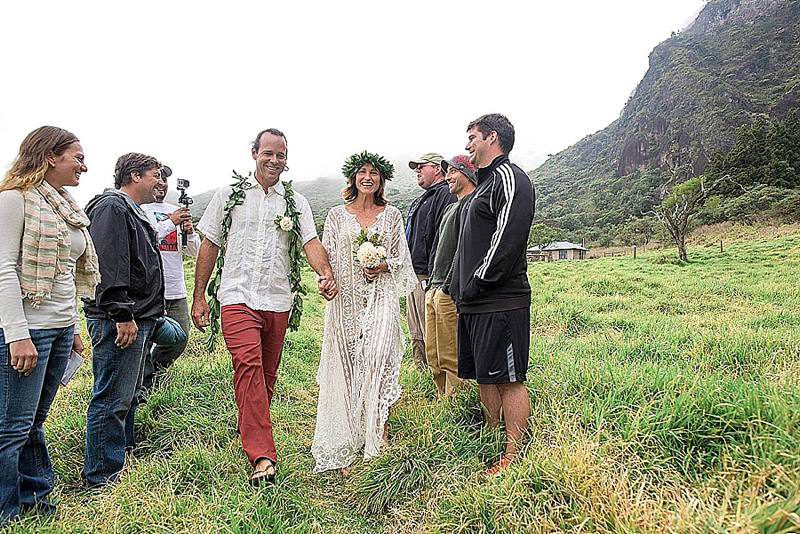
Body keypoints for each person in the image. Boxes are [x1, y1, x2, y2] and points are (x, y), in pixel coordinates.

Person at [192, 128, 337, 485]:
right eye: (268, 153)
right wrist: (199, 296)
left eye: (280, 155)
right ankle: (262, 456)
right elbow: (210, 243)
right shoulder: (229, 196)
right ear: (254, 153)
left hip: (277, 299)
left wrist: (325, 272)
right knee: (249, 365)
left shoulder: (295, 202)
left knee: (266, 375)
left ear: (287, 160)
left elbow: (310, 241)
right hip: (236, 296)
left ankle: (249, 425)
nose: (274, 160)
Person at [0, 127, 100, 524]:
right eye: (78, 157)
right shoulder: (14, 200)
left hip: (58, 328)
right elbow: (4, 270)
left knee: (34, 422)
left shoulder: (65, 205)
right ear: (49, 156)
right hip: (28, 330)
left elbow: (65, 276)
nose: (84, 166)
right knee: (12, 427)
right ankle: (7, 512)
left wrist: (72, 327)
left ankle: (37, 501)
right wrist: (17, 335)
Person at [312, 151, 417, 475]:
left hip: (381, 296)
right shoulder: (336, 216)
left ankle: (377, 429)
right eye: (362, 172)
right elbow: (326, 259)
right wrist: (324, 280)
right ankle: (347, 436)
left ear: (381, 179)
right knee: (347, 364)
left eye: (374, 173)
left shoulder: (393, 215)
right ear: (353, 178)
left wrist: (384, 265)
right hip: (345, 301)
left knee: (377, 357)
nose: (368, 177)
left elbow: (402, 258)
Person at [450, 114, 535, 475]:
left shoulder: (510, 177)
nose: (467, 144)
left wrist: (479, 280)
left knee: (508, 378)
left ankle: (513, 455)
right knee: (486, 374)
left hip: (501, 298)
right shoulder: (482, 187)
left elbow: (508, 237)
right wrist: (459, 289)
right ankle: (491, 436)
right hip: (473, 301)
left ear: (492, 138)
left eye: (472, 137)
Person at [82, 153, 166, 487]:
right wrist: (121, 313)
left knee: (126, 394)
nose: (160, 181)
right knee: (112, 398)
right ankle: (102, 476)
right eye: (155, 174)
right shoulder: (112, 208)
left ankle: (122, 453)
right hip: (119, 318)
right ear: (134, 176)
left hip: (137, 316)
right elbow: (108, 265)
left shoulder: (131, 210)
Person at [139, 165, 199, 394]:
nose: (162, 183)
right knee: (145, 339)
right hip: (150, 290)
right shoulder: (140, 209)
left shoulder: (175, 210)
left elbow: (194, 251)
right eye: (157, 177)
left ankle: (153, 374)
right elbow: (145, 240)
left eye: (165, 179)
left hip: (175, 288)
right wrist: (170, 222)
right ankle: (143, 387)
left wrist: (189, 232)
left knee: (180, 337)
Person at [424, 155, 477, 396]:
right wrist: (431, 284)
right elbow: (438, 248)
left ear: (468, 173)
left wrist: (448, 286)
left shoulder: (472, 204)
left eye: (453, 171)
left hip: (448, 290)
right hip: (434, 287)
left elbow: (464, 250)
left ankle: (455, 402)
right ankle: (441, 398)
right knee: (433, 353)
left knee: (450, 353)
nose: (448, 177)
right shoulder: (450, 207)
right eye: (447, 172)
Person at [405, 153, 456, 370]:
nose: (417, 170)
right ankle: (421, 369)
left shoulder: (445, 194)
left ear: (436, 168)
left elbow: (444, 236)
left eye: (421, 166)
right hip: (413, 273)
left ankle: (438, 372)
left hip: (429, 274)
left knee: (430, 326)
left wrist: (437, 274)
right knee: (416, 326)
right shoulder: (421, 199)